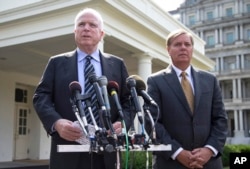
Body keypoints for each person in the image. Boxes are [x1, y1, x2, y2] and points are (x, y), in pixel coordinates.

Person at [33, 8, 134, 169]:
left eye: (92, 25)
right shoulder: (56, 63)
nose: (86, 28)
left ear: (101, 34)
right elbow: (41, 97)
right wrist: (56, 123)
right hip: (68, 149)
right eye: (81, 24)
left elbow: (128, 102)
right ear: (75, 32)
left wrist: (123, 123)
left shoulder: (117, 64)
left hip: (108, 150)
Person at [144, 29, 228, 169]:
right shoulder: (155, 81)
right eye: (177, 44)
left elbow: (221, 119)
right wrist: (178, 152)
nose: (183, 47)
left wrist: (209, 149)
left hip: (208, 163)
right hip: (171, 163)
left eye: (187, 44)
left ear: (192, 49)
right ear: (168, 50)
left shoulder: (210, 80)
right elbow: (152, 122)